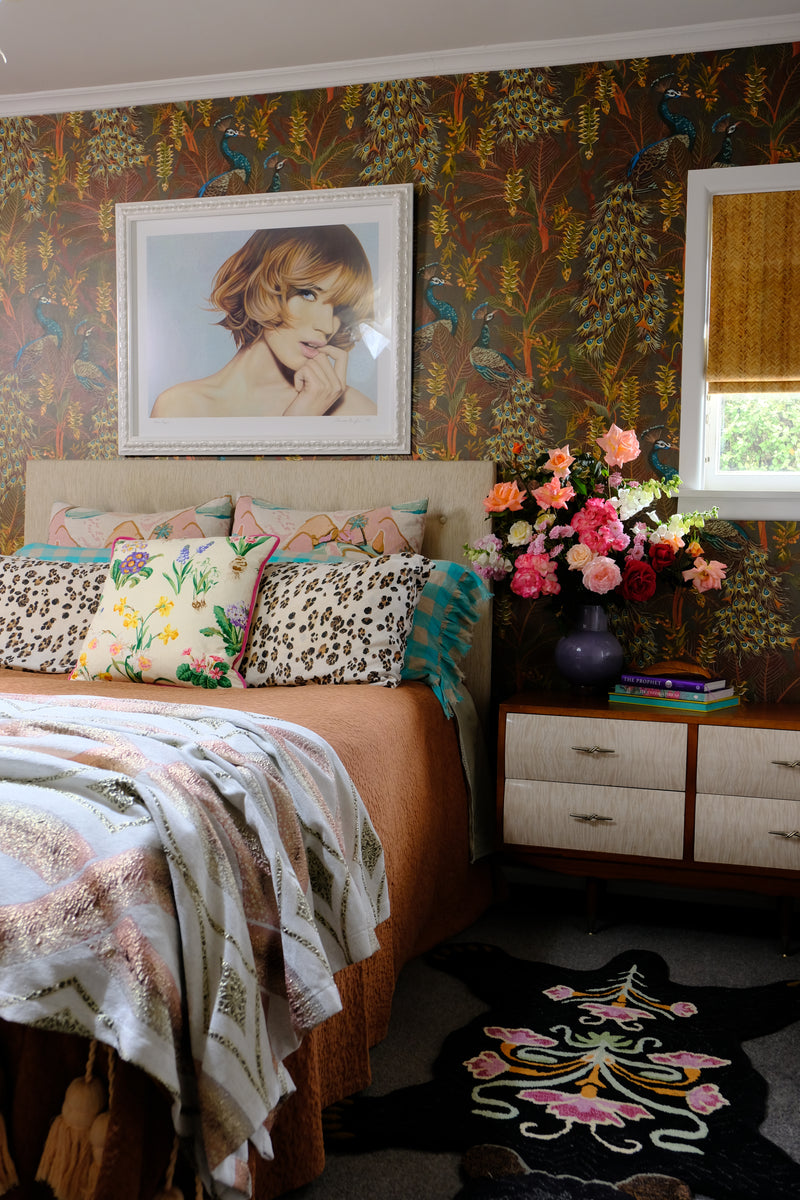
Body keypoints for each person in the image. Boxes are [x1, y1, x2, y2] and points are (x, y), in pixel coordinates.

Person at [151, 225, 376, 418]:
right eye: (308, 294)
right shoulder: (178, 408)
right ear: (259, 285)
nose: (327, 326)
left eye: (338, 308)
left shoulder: (358, 411)